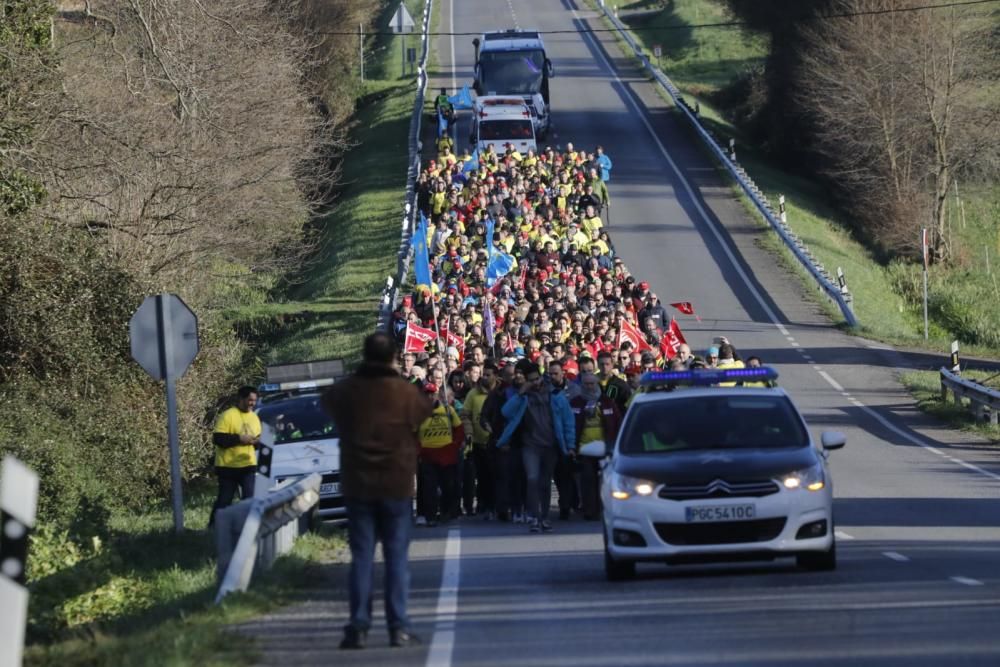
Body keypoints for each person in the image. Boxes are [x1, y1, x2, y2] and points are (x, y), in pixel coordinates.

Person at [322, 331, 434, 650]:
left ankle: (358, 625)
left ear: (364, 354)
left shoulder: (347, 391)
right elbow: (425, 412)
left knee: (361, 557)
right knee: (396, 557)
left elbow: (327, 403)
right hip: (396, 483)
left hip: (358, 482)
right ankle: (397, 627)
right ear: (393, 358)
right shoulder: (403, 392)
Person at [498, 362, 575, 533]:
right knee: (532, 478)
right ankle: (534, 516)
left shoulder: (554, 395)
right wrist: (521, 393)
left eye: (537, 379)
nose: (536, 383)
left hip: (550, 445)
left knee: (545, 482)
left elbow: (568, 420)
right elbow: (505, 412)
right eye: (531, 380)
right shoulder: (522, 396)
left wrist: (570, 445)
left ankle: (545, 517)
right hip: (530, 446)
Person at [570, 373, 622, 519]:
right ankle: (590, 511)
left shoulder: (607, 402)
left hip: (605, 449)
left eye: (592, 383)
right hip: (584, 449)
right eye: (586, 384)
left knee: (604, 482)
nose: (589, 386)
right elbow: (569, 425)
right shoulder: (576, 403)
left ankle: (604, 510)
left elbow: (618, 423)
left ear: (597, 384)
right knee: (587, 480)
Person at [209, 386, 261, 527]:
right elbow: (218, 439)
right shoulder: (228, 415)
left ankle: (246, 526)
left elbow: (256, 440)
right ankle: (213, 526)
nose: (252, 403)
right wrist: (239, 439)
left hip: (248, 466)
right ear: (241, 399)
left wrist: (258, 442)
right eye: (250, 400)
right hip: (227, 467)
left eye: (255, 401)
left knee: (249, 498)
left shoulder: (254, 417)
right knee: (225, 500)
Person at [417, 383, 464, 525]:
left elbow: (459, 428)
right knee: (429, 487)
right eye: (426, 394)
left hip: (446, 454)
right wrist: (419, 451)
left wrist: (455, 445)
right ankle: (430, 516)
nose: (429, 397)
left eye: (432, 394)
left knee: (448, 486)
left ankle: (446, 511)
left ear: (437, 395)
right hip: (428, 455)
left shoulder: (448, 410)